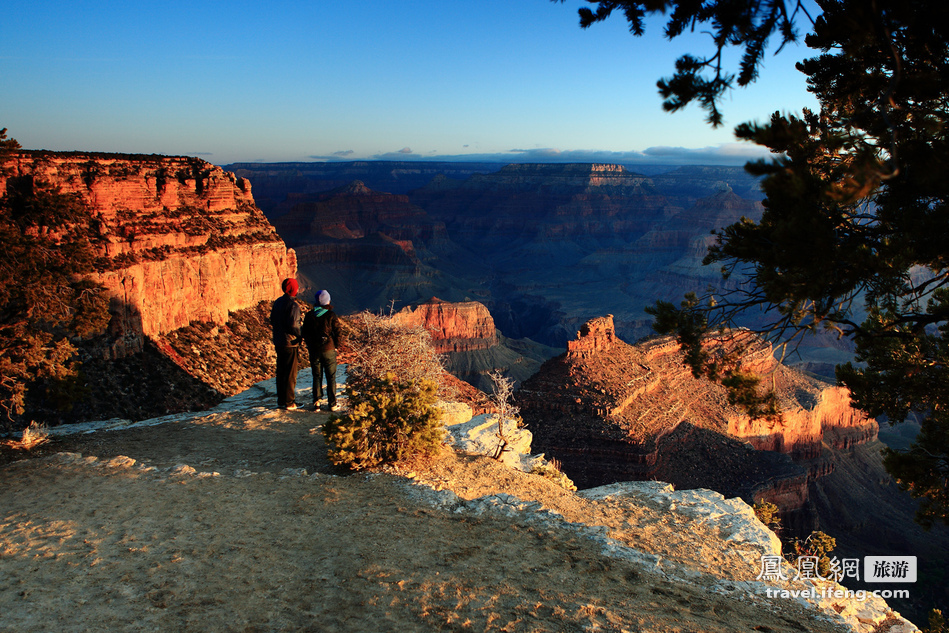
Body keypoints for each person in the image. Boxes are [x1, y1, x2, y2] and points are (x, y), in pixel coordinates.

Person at [302, 289, 342, 411]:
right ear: (327, 301)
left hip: (314, 350)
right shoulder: (331, 315)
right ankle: (332, 403)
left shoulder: (309, 315)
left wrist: (309, 345)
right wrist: (336, 346)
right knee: (331, 376)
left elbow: (304, 333)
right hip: (328, 349)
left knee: (317, 375)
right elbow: (338, 332)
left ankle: (317, 402)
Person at [270, 277, 303, 410]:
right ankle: (290, 402)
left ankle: (281, 400)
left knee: (281, 371)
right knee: (290, 373)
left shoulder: (277, 302)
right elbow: (294, 325)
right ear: (293, 289)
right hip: (290, 343)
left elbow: (272, 319)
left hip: (278, 341)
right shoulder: (293, 305)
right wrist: (301, 334)